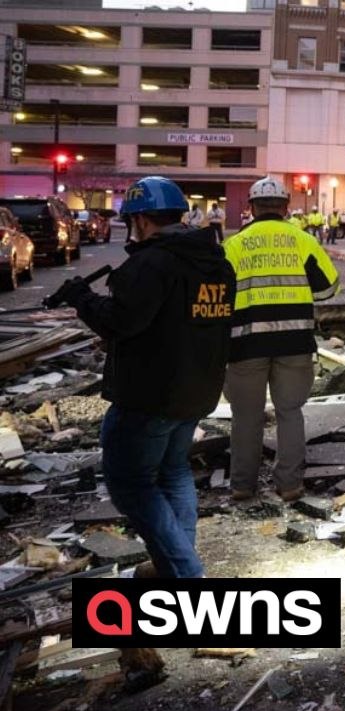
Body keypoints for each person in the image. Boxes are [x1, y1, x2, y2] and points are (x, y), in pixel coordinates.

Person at [58, 176, 235, 579]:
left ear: (139, 220)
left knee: (131, 485)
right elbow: (185, 320)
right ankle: (174, 563)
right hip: (197, 389)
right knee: (173, 472)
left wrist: (82, 299)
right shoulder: (215, 263)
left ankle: (185, 575)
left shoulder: (152, 263)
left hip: (149, 396)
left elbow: (120, 321)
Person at [222, 177, 341, 502]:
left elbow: (220, 296)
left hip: (246, 345)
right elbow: (329, 289)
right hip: (294, 343)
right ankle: (290, 485)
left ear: (251, 208)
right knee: (290, 412)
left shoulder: (234, 245)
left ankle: (242, 486)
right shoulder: (304, 241)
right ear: (286, 208)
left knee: (246, 417)